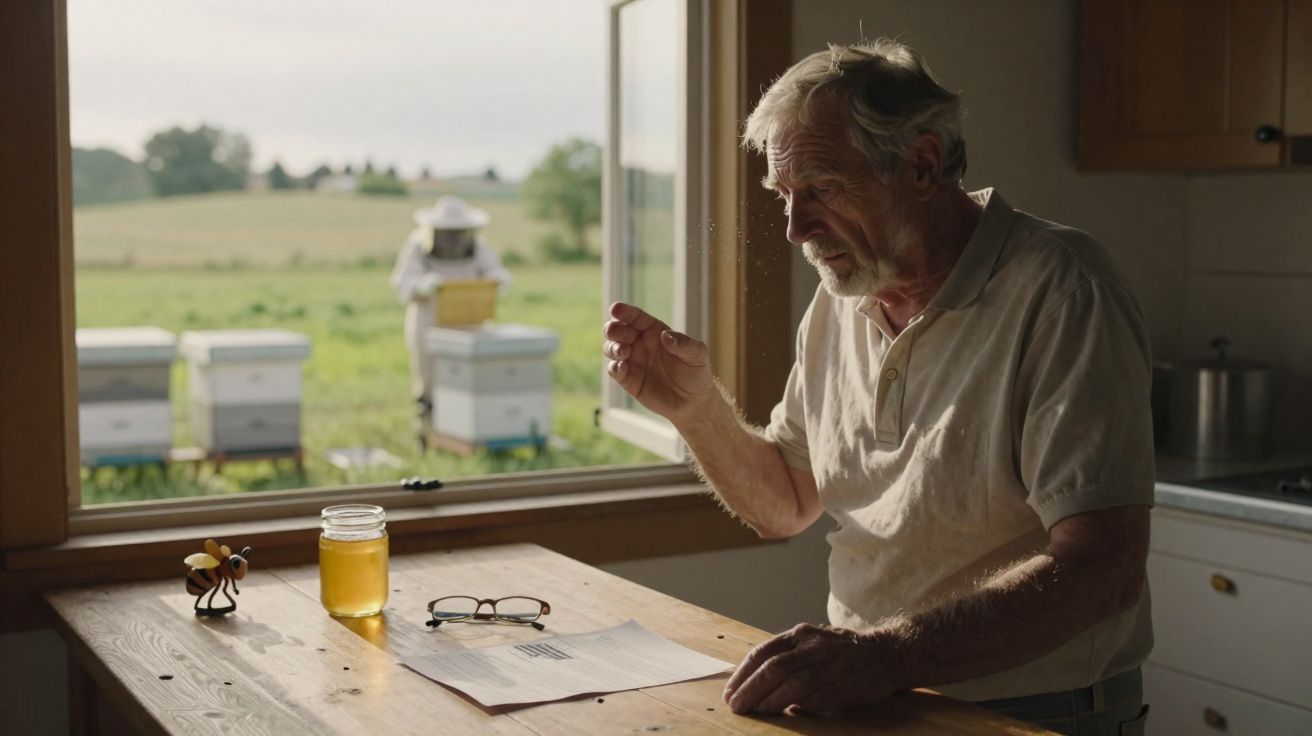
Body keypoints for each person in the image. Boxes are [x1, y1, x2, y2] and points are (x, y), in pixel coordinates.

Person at [602, 40, 1154, 735]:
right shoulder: (842, 296)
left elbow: (1104, 567)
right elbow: (787, 502)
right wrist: (696, 409)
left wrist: (886, 654)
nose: (795, 228)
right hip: (876, 692)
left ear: (921, 164)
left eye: (823, 189)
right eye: (784, 195)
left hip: (1037, 713)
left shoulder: (1065, 289)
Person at [391, 195, 511, 448]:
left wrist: (499, 279)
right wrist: (422, 286)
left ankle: (463, 434)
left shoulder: (478, 247)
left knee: (467, 384)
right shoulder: (417, 247)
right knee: (429, 382)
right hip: (429, 325)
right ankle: (427, 434)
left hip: (470, 325)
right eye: (447, 232)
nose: (452, 238)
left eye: (457, 232)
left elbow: (494, 270)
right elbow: (402, 283)